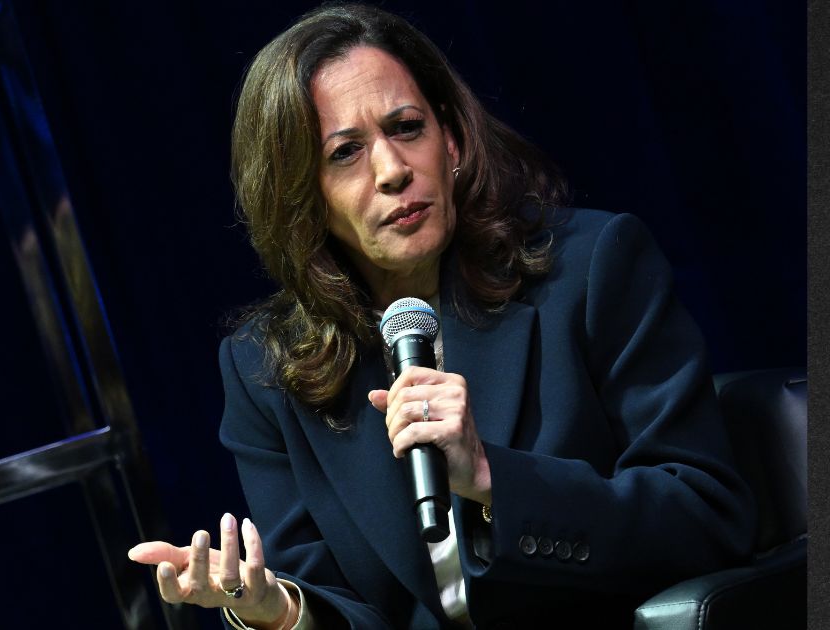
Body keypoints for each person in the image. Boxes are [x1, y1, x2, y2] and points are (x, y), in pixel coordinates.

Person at [128, 4, 755, 628]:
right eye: (345, 153)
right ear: (301, 196)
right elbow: (335, 597)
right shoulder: (264, 367)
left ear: (450, 138)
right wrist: (280, 610)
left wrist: (489, 476)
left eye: (407, 127)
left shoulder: (592, 268)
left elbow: (706, 516)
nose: (393, 170)